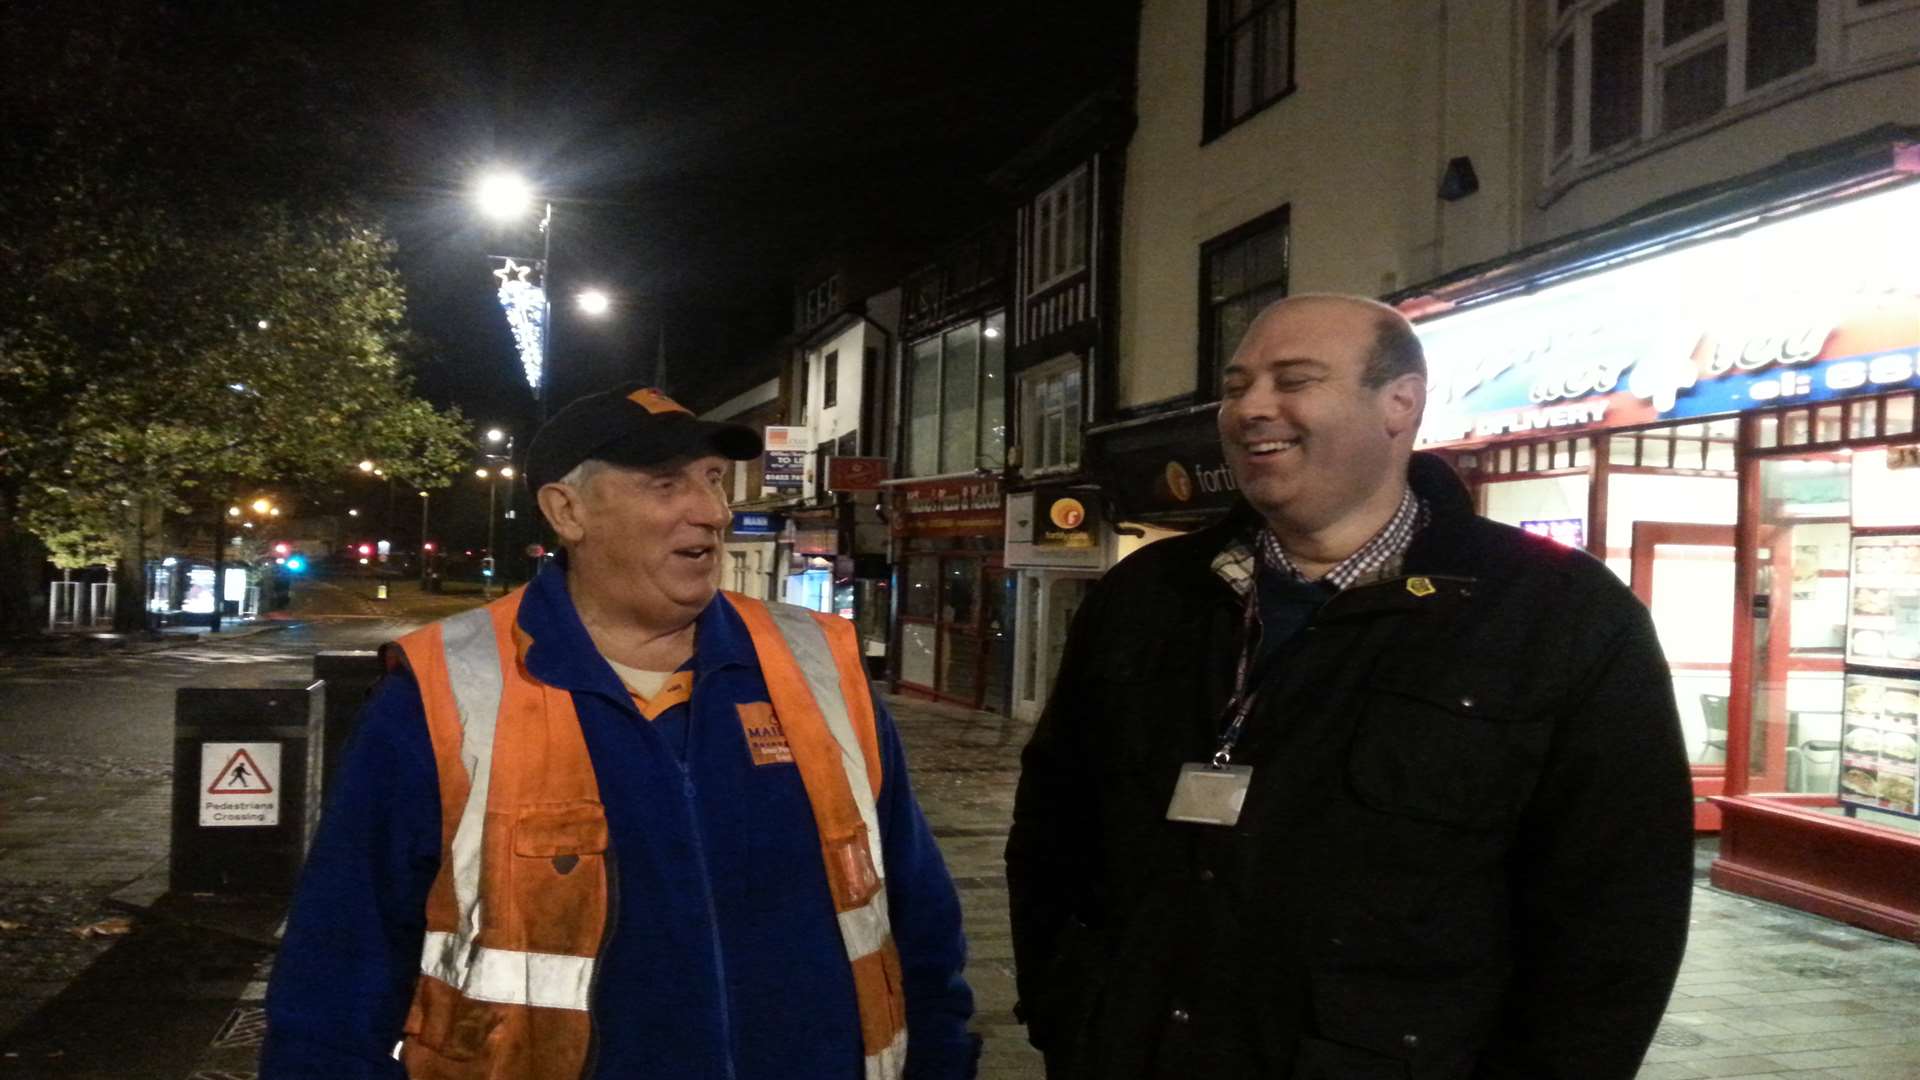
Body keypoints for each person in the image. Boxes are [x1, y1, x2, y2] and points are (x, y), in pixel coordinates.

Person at [1005, 295, 1693, 1079]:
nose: (1251, 408)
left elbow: (1614, 926)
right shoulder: (1145, 596)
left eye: (1294, 380)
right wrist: (1066, 1009)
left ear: (1398, 403)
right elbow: (1052, 831)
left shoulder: (1559, 617)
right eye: (1237, 386)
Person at [264, 384, 978, 1080]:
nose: (711, 512)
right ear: (566, 511)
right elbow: (338, 972)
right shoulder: (438, 692)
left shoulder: (821, 664)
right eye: (666, 484)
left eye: (714, 480)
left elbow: (918, 924)